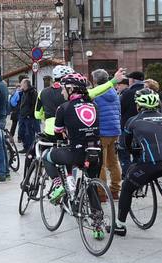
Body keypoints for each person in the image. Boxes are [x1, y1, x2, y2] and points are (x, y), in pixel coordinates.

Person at [115, 90, 162, 237]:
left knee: (126, 188)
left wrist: (133, 152)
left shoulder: (133, 121)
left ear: (138, 104)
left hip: (150, 165)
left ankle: (119, 226)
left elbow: (126, 145)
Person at [43, 72, 101, 208]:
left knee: (46, 156)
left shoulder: (64, 108)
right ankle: (98, 224)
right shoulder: (94, 106)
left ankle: (58, 187)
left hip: (76, 153)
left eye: (63, 89)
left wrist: (64, 136)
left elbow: (58, 133)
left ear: (71, 89)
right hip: (96, 153)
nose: (62, 92)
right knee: (92, 186)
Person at [88, 68, 124, 198]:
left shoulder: (96, 94)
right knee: (114, 162)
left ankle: (101, 193)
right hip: (114, 131)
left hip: (102, 132)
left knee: (101, 164)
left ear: (96, 81)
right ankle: (115, 190)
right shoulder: (114, 92)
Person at [116, 71, 146, 170]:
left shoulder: (127, 93)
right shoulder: (148, 91)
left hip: (127, 127)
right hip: (144, 127)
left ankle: (127, 173)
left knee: (124, 151)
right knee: (140, 151)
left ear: (132, 80)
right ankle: (138, 171)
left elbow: (120, 110)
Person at [15, 77, 38, 154]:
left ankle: (30, 149)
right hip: (22, 115)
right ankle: (26, 147)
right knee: (21, 132)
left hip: (29, 117)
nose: (20, 85)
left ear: (25, 84)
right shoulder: (23, 92)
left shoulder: (32, 92)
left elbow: (34, 104)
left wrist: (30, 114)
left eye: (21, 83)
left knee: (29, 133)